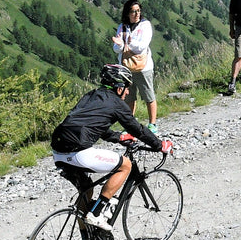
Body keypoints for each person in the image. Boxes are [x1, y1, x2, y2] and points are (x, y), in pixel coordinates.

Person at [50, 64, 171, 230]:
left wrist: (118, 137)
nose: (127, 92)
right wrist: (159, 145)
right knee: (125, 165)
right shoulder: (116, 104)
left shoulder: (91, 95)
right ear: (119, 87)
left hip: (58, 151)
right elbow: (137, 129)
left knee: (86, 192)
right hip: (79, 151)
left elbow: (92, 125)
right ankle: (97, 212)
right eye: (126, 88)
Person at [111, 0, 157, 132]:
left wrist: (125, 44)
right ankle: (130, 125)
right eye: (133, 11)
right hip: (126, 68)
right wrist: (121, 44)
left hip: (143, 67)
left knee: (148, 95)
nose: (136, 14)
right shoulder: (122, 27)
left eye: (138, 11)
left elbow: (142, 46)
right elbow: (116, 48)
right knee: (129, 98)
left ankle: (152, 124)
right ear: (127, 13)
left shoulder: (145, 25)